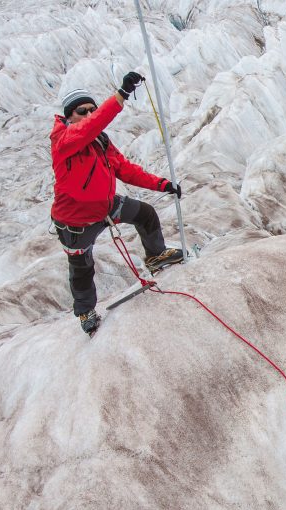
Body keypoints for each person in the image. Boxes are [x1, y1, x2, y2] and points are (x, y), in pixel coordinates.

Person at [50, 71, 184, 335]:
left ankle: (156, 255)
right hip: (75, 222)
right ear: (68, 117)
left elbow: (124, 169)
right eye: (81, 111)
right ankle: (86, 311)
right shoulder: (63, 141)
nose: (88, 115)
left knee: (145, 214)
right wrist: (121, 95)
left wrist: (162, 184)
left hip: (106, 207)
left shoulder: (100, 141)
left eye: (92, 109)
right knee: (82, 269)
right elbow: (90, 127)